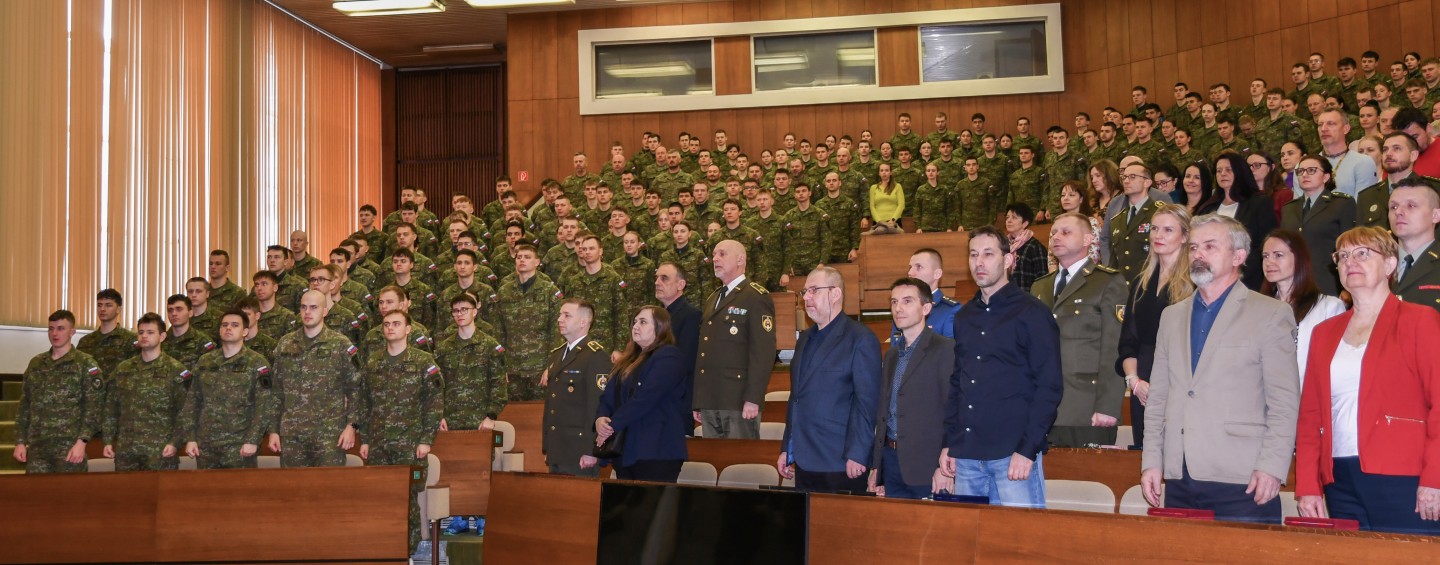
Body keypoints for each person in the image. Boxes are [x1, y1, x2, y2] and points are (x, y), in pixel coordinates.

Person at [1141, 214, 1300, 523]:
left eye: (1210, 246)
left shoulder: (1271, 314)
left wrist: (1272, 466)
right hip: (1179, 475)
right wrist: (1152, 461)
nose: (1198, 254)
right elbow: (1158, 397)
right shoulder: (1171, 317)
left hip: (1243, 476)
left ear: (1238, 256)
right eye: (1193, 247)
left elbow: (1284, 401)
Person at [1296, 227, 1440, 534]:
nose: (1350, 262)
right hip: (1339, 476)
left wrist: (1435, 478)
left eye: (1362, 253)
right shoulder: (1324, 333)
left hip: (1405, 473)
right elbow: (1310, 415)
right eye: (1343, 256)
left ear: (1390, 264)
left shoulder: (1420, 320)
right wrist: (1307, 485)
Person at [938, 226, 1063, 508]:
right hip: (967, 455)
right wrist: (949, 442)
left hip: (1012, 454)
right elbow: (959, 383)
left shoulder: (1032, 313)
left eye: (988, 254)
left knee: (1020, 536)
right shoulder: (965, 316)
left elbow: (1049, 387)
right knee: (969, 536)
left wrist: (1028, 450)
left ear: (1007, 260)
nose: (979, 262)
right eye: (973, 255)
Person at [778, 267, 881, 493]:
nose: (806, 297)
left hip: (841, 461)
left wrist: (859, 453)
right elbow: (796, 398)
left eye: (814, 290)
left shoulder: (861, 339)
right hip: (804, 459)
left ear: (835, 294)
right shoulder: (804, 339)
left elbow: (867, 404)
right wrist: (788, 448)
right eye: (805, 291)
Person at [1031, 213, 1129, 448]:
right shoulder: (1040, 286)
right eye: (1053, 233)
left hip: (1086, 408)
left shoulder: (1107, 282)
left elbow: (1114, 348)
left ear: (1087, 239)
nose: (1056, 237)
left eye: (1066, 232)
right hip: (1043, 409)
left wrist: (1108, 406)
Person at [358, 310, 444, 553]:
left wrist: (426, 440)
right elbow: (364, 404)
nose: (390, 328)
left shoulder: (423, 362)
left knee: (407, 498)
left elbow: (435, 403)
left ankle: (408, 551)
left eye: (396, 324)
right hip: (379, 443)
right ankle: (383, 549)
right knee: (380, 497)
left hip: (410, 443)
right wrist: (365, 439)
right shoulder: (373, 362)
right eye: (386, 324)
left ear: (408, 330)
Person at [870, 278, 955, 499]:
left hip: (928, 466)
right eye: (894, 302)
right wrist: (877, 466)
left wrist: (944, 468)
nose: (898, 308)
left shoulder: (945, 349)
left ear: (926, 308)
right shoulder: (891, 354)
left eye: (907, 301)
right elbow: (884, 413)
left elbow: (954, 410)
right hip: (891, 462)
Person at [1118, 204, 1194, 449]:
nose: (1158, 235)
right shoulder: (1140, 282)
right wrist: (1134, 382)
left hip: (1181, 383)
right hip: (1143, 386)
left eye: (1168, 230)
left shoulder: (1196, 282)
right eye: (1154, 228)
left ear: (1185, 236)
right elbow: (1128, 341)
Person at [264, 290, 362, 468]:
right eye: (303, 307)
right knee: (292, 485)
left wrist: (352, 426)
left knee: (328, 484)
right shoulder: (285, 344)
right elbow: (276, 392)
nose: (307, 312)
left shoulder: (341, 344)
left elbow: (355, 390)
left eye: (314, 307)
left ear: (325, 311)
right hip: (292, 435)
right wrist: (273, 430)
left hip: (329, 435)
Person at [693, 240, 776, 439]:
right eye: (714, 254)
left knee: (741, 457)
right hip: (711, 399)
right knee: (713, 457)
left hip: (738, 400)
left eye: (722, 254)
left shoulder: (755, 296)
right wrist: (700, 400)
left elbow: (763, 352)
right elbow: (705, 351)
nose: (715, 259)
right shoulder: (713, 298)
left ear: (740, 260)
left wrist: (753, 398)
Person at [594, 306, 689, 482]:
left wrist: (611, 426)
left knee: (651, 501)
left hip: (656, 449)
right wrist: (601, 419)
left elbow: (645, 398)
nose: (636, 326)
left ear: (660, 327)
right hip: (626, 450)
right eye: (635, 322)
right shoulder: (627, 360)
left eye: (643, 322)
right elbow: (607, 397)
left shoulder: (669, 356)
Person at [14, 311, 104, 473]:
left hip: (69, 448)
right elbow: (25, 405)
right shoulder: (36, 363)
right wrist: (20, 441)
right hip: (38, 447)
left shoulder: (85, 364)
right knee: (34, 489)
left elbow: (94, 407)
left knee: (69, 490)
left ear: (72, 332)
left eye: (61, 328)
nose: (55, 333)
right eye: (51, 328)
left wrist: (82, 442)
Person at [181, 309, 272, 469]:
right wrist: (191, 438)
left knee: (240, 486)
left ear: (245, 331)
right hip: (206, 445)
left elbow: (263, 406)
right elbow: (192, 402)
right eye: (224, 325)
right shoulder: (205, 362)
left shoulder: (257, 363)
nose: (228, 328)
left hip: (239, 445)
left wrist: (252, 440)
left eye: (235, 325)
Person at [1259, 229, 1348, 383]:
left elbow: (1335, 364)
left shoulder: (1329, 307)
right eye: (1265, 256)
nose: (1269, 262)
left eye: (1278, 255)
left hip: (1307, 391)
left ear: (1299, 258)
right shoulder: (1258, 308)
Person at [101, 312, 187, 471]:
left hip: (160, 449)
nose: (144, 336)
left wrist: (175, 442)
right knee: (126, 487)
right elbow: (111, 407)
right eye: (141, 332)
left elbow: (184, 411)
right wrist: (107, 440)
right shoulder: (123, 369)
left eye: (150, 332)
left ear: (162, 337)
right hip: (127, 449)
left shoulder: (175, 369)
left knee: (159, 488)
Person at [541, 299, 612, 476]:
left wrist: (591, 449)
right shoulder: (557, 355)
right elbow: (552, 404)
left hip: (579, 451)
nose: (559, 319)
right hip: (558, 448)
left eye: (567, 315)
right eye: (560, 315)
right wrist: (548, 446)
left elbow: (597, 406)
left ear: (583, 322)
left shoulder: (596, 356)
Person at [1199, 153, 1280, 289]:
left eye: (1228, 170)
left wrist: (1236, 271)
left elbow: (1265, 243)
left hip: (1248, 279)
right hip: (1211, 280)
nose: (1223, 174)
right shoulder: (1208, 208)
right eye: (1219, 171)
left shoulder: (1259, 203)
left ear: (1240, 172)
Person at [1280, 155, 1358, 296]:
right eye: (1300, 171)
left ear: (1326, 177)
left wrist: (1347, 288)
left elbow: (1349, 247)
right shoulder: (1289, 208)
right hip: (1294, 283)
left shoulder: (1341, 204)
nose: (1305, 175)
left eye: (1311, 170)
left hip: (1329, 283)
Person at [655, 263, 701, 432]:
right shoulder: (657, 315)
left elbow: (685, 362)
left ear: (680, 285)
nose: (657, 282)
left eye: (664, 278)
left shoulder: (690, 316)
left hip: (677, 400)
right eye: (656, 278)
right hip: (657, 398)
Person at [1109, 163, 1173, 280]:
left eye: (1132, 177)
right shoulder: (1117, 220)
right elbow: (1114, 262)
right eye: (1124, 177)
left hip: (1151, 283)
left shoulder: (1160, 214)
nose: (1126, 181)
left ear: (1147, 182)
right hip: (1122, 287)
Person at [1390, 176, 1440, 313]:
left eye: (1411, 205)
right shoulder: (1376, 262)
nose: (1398, 212)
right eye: (1393, 207)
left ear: (1435, 215)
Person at [77, 288, 137, 376]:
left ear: (118, 309)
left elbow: (134, 371)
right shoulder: (85, 341)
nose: (102, 309)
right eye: (99, 305)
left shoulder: (130, 340)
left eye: (108, 305)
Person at [905, 248, 962, 339]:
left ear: (937, 274)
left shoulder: (950, 310)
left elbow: (951, 347)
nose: (910, 273)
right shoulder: (902, 307)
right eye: (910, 267)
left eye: (919, 267)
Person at [1004, 203, 1050, 293]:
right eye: (1007, 217)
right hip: (1005, 297)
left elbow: (1042, 279)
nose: (1009, 221)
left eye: (1014, 217)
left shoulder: (1035, 247)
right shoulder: (1003, 246)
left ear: (1025, 223)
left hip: (1027, 298)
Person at [867, 163, 905, 234]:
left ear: (891, 172)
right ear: (879, 173)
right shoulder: (873, 188)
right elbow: (872, 206)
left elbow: (901, 205)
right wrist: (879, 221)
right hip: (878, 223)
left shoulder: (897, 186)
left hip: (894, 222)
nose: (884, 172)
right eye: (882, 170)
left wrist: (893, 220)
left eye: (886, 170)